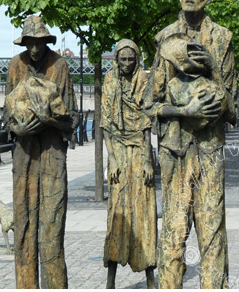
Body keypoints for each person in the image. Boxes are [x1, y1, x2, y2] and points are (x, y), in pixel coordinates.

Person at [143, 0, 237, 289]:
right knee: (172, 233)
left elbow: (233, 109)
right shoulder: (165, 39)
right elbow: (150, 104)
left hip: (210, 149)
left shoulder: (223, 38)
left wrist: (212, 67)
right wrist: (184, 111)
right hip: (175, 150)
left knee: (212, 232)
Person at [3, 15, 78, 288]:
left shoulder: (59, 65)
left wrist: (50, 120)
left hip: (52, 157)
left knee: (51, 228)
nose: (35, 50)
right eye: (30, 43)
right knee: (23, 227)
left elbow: (73, 118)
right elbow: (7, 112)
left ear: (47, 41)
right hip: (24, 158)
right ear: (24, 43)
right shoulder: (15, 65)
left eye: (40, 43)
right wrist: (18, 129)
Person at [101, 39, 157, 289]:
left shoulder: (144, 80)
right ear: (116, 59)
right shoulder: (109, 80)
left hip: (140, 149)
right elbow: (105, 124)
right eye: (122, 59)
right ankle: (111, 278)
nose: (126, 64)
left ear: (136, 59)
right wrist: (111, 159)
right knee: (117, 211)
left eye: (130, 59)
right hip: (118, 151)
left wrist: (147, 159)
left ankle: (149, 274)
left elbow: (147, 122)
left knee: (144, 211)